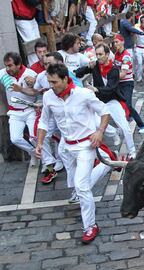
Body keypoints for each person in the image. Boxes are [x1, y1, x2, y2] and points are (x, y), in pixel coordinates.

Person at [36, 63, 110, 244]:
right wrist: (39, 143)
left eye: (54, 82)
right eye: (49, 82)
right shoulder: (48, 97)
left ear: (65, 79)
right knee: (76, 185)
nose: (51, 86)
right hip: (65, 148)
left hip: (86, 145)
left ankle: (90, 226)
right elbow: (44, 122)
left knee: (82, 186)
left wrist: (100, 131)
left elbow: (104, 111)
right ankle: (107, 163)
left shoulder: (84, 94)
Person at [74, 43, 137, 159]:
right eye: (96, 54)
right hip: (98, 102)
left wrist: (96, 89)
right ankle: (113, 134)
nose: (98, 57)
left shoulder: (114, 69)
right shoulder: (95, 65)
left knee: (125, 128)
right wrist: (88, 66)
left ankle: (132, 151)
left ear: (107, 54)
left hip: (112, 100)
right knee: (96, 123)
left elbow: (110, 88)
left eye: (100, 54)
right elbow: (77, 73)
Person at [0, 52, 38, 166]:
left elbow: (36, 93)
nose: (7, 68)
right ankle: (34, 154)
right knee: (15, 139)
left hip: (31, 110)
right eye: (6, 65)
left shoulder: (31, 74)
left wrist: (21, 89)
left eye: (10, 65)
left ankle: (46, 162)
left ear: (18, 64)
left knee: (34, 138)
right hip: (14, 112)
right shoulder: (2, 73)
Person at [114, 34, 144, 134]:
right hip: (119, 83)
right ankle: (125, 122)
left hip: (127, 83)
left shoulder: (126, 56)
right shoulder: (117, 54)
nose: (115, 44)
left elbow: (123, 74)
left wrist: (111, 76)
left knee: (128, 105)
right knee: (119, 105)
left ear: (122, 42)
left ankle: (142, 125)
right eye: (114, 42)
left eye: (117, 42)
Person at [133, 16, 144, 82]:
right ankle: (139, 77)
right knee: (139, 63)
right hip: (138, 48)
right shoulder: (137, 29)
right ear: (141, 23)